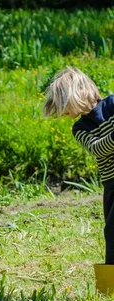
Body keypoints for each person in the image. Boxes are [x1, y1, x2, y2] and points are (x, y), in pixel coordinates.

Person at [43, 66, 114, 266]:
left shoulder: (113, 104)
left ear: (76, 94)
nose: (62, 112)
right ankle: (111, 285)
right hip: (111, 185)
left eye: (63, 105)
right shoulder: (80, 128)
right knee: (111, 232)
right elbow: (98, 149)